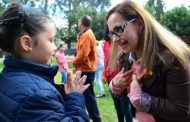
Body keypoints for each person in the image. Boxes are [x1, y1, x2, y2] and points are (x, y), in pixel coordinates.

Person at [0, 3, 90, 121]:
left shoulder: (7, 77)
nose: (55, 47)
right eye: (51, 40)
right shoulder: (37, 96)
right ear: (27, 43)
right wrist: (75, 97)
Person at [107, 0, 190, 122]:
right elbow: (124, 92)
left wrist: (141, 100)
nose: (114, 39)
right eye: (112, 33)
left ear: (139, 24)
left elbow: (181, 110)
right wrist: (115, 86)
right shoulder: (125, 57)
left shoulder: (173, 58)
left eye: (118, 29)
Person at [71, 15, 102, 122]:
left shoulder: (87, 35)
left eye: (79, 21)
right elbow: (81, 51)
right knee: (84, 97)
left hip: (86, 71)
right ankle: (86, 118)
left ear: (82, 23)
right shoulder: (85, 34)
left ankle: (96, 119)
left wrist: (72, 62)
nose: (78, 23)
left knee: (88, 98)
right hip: (85, 69)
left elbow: (83, 55)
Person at [102, 24, 132, 122]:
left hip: (121, 78)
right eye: (112, 32)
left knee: (125, 108)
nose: (114, 35)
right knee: (117, 107)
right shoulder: (107, 44)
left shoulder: (123, 43)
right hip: (111, 79)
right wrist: (103, 73)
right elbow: (106, 61)